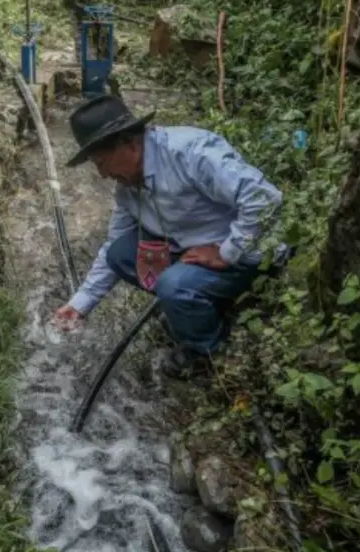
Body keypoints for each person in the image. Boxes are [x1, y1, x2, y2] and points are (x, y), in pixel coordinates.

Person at [52, 95, 287, 379]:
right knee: (120, 254)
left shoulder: (190, 153)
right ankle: (193, 306)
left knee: (172, 285)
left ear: (129, 144)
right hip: (193, 250)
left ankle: (206, 350)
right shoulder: (127, 188)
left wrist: (227, 251)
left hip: (248, 255)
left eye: (102, 163)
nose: (102, 175)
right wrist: (80, 303)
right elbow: (113, 245)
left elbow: (263, 198)